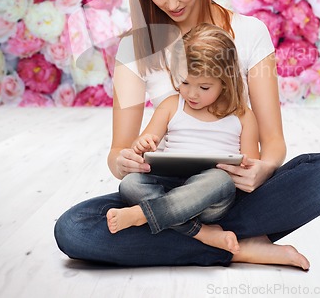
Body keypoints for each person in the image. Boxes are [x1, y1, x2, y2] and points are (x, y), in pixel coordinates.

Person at [54, 0, 320, 268]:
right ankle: (235, 243)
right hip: (161, 188)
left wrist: (263, 169)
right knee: (73, 229)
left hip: (230, 189)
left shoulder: (250, 32)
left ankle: (191, 234)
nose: (172, 3)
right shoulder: (134, 48)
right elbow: (118, 152)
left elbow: (272, 141)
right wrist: (123, 161)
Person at [107, 23, 294, 260]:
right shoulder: (171, 106)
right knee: (130, 184)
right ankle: (203, 234)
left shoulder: (242, 116)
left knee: (219, 180)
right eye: (184, 82)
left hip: (211, 200)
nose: (192, 94)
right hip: (169, 187)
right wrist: (142, 145)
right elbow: (143, 145)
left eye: (204, 87)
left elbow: (250, 168)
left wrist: (249, 170)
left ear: (224, 82)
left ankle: (142, 215)